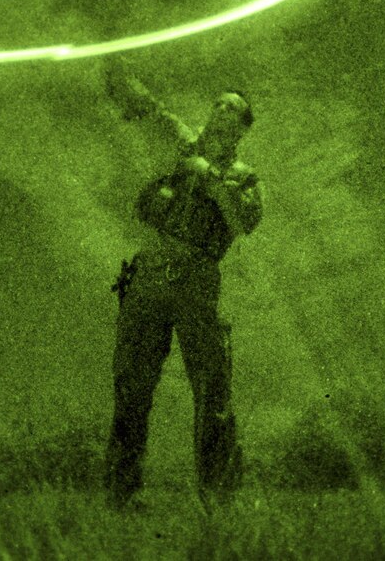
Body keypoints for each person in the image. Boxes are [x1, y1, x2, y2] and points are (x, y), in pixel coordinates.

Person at [102, 62, 263, 511]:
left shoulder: (245, 177)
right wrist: (122, 82)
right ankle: (120, 493)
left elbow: (241, 222)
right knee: (132, 383)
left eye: (232, 108)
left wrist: (210, 178)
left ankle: (219, 496)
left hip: (197, 278)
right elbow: (154, 113)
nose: (220, 110)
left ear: (243, 126)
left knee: (212, 387)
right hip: (150, 272)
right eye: (217, 104)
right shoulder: (182, 144)